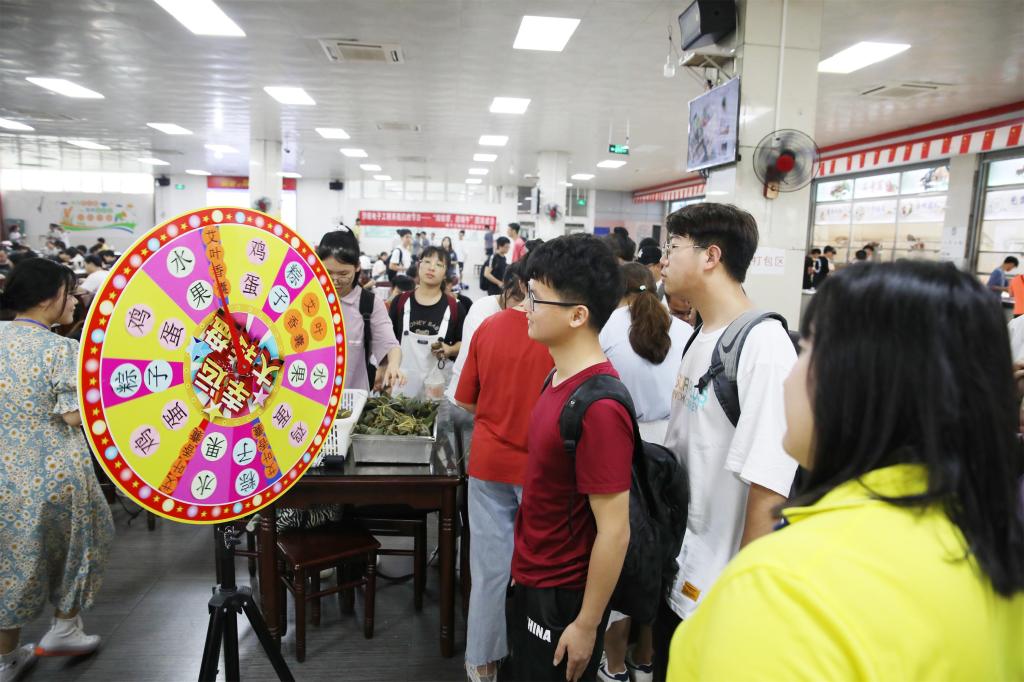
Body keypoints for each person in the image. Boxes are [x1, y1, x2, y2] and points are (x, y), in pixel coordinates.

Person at [668, 260, 1024, 680]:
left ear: (860, 384)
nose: (788, 377)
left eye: (806, 350)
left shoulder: (785, 587)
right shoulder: (994, 551)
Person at [655, 203, 798, 679]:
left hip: (719, 592)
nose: (664, 260)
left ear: (711, 256)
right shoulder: (700, 335)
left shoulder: (763, 346)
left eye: (673, 247)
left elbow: (770, 485)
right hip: (681, 571)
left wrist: (744, 602)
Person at [506, 234, 632, 682]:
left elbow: (614, 530)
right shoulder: (557, 378)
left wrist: (586, 624)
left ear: (578, 315)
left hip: (565, 596)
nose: (525, 307)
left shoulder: (600, 408)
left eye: (536, 299)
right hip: (533, 575)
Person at [0, 258, 115, 682]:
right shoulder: (60, 349)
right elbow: (73, 416)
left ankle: (6, 656)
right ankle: (65, 625)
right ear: (49, 298)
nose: (75, 302)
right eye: (70, 293)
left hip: (4, 470)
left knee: (13, 559)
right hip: (54, 471)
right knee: (85, 539)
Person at [455, 256, 554, 682]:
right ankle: (536, 653)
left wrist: (495, 416)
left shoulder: (489, 328)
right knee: (542, 569)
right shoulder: (560, 333)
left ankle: (482, 662)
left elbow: (465, 399)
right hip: (542, 467)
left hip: (489, 463)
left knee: (489, 570)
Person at [596, 262, 690, 682]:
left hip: (623, 448)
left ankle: (614, 663)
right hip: (671, 453)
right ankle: (646, 657)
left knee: (621, 552)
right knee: (661, 553)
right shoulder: (684, 331)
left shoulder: (605, 328)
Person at [318, 229, 405, 392]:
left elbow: (390, 344)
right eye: (327, 272)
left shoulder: (370, 304)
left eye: (343, 273)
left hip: (352, 398)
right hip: (306, 398)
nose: (335, 280)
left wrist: (393, 365)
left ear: (357, 266)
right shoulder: (306, 299)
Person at [389, 246, 464, 398]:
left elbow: (464, 344)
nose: (431, 268)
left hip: (436, 390)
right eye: (427, 261)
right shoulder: (400, 302)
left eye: (439, 264)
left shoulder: (455, 307)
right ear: (419, 266)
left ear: (445, 273)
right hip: (400, 387)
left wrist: (450, 349)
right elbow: (388, 340)